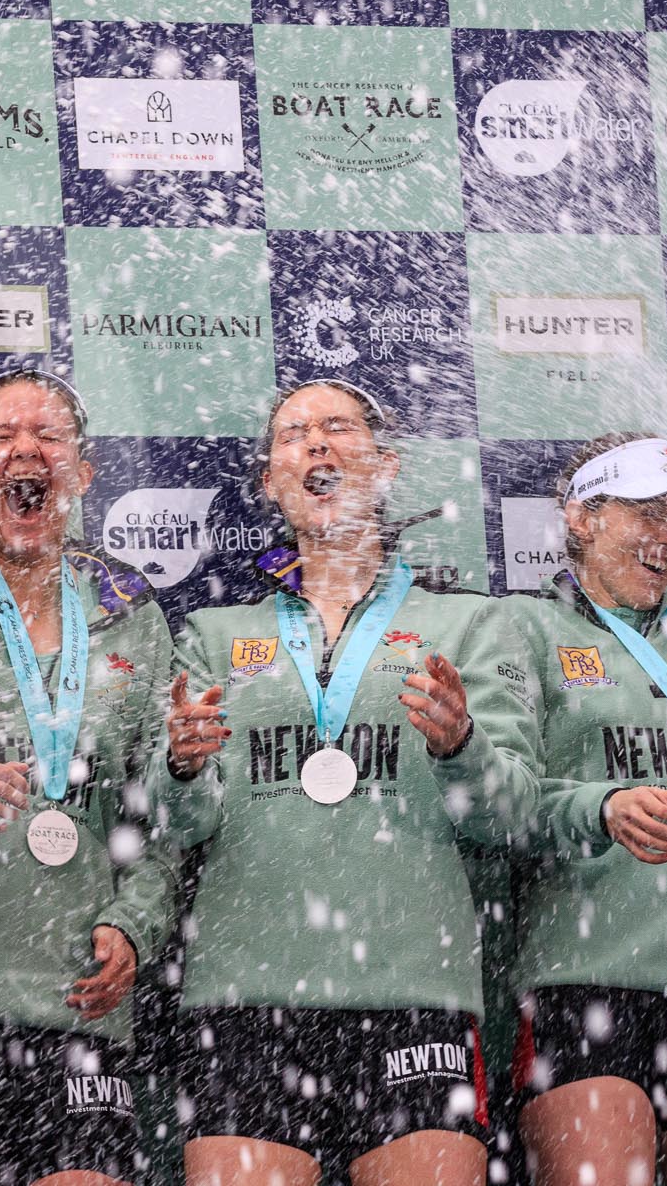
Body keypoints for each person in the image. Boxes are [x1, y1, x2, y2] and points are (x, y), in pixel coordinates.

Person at [154, 379, 541, 1186]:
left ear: (387, 464)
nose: (318, 445)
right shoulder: (214, 635)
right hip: (246, 990)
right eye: (295, 435)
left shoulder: (468, 623)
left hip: (413, 987)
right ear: (269, 478)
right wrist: (182, 767)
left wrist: (461, 744)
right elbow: (174, 824)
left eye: (338, 429)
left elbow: (511, 818)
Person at [0, 370, 178, 1186]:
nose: (26, 451)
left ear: (83, 473)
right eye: (3, 437)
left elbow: (168, 813)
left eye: (48, 437)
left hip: (80, 990)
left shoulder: (132, 612)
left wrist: (136, 924)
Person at [503, 433, 667, 1186]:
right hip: (589, 976)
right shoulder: (526, 629)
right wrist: (599, 804)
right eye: (646, 512)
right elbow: (493, 801)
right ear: (581, 518)